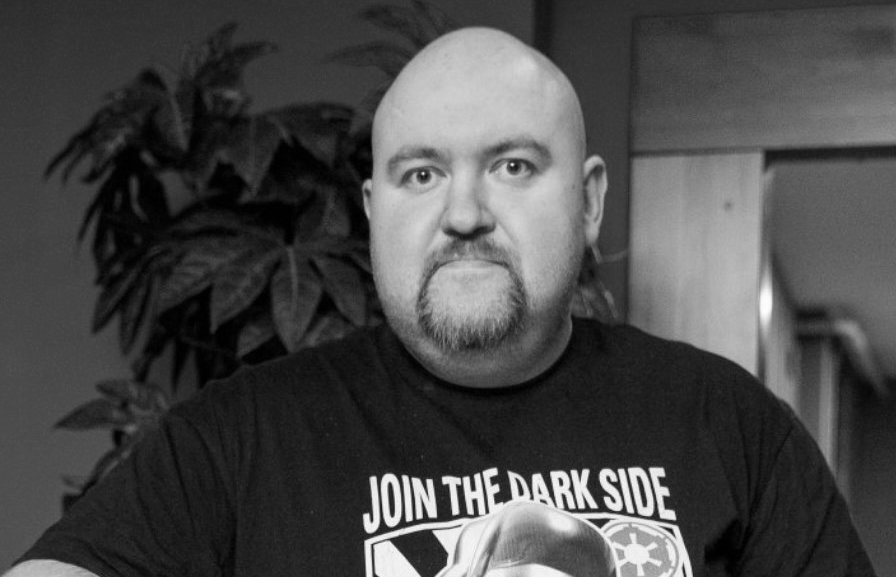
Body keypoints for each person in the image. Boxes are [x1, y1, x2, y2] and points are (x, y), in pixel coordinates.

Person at [7, 27, 875, 577]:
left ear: (589, 200)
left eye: (513, 166)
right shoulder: (236, 439)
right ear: (374, 209)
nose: (463, 213)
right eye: (421, 174)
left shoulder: (730, 425)